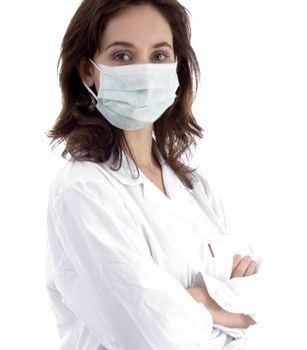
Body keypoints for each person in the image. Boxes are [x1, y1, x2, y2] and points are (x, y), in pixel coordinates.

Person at [45, 1, 265, 349]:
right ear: (88, 70)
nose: (145, 71)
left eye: (159, 55)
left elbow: (268, 309)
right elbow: (157, 340)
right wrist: (231, 313)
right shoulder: (82, 191)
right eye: (122, 56)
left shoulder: (195, 186)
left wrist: (206, 305)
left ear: (177, 65)